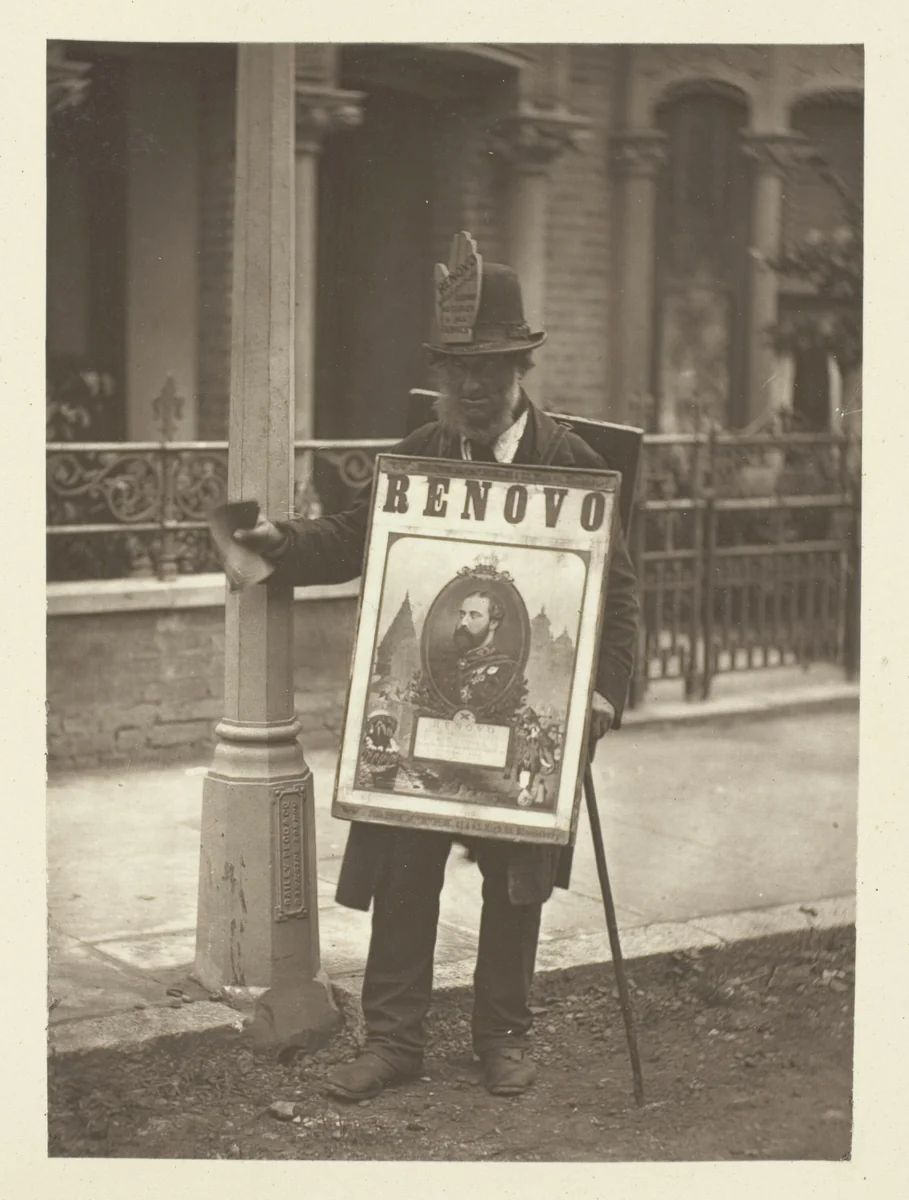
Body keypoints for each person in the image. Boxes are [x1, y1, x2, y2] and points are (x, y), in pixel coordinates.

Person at [235, 249, 640, 1101]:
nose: (474, 386)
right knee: (404, 866)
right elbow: (353, 538)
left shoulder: (567, 464)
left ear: (519, 370)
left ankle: (501, 1038)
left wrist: (604, 692)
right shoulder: (422, 449)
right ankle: (393, 1043)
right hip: (428, 709)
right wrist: (282, 542)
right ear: (443, 375)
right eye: (459, 370)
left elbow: (621, 595)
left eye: (489, 369)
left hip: (518, 711)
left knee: (513, 876)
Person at [432, 587, 525, 715]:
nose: (463, 622)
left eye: (474, 616)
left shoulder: (506, 671)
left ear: (493, 623)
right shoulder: (446, 665)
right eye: (462, 615)